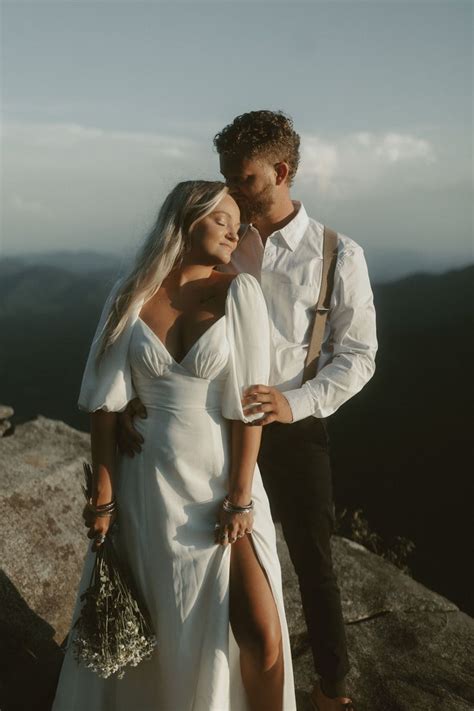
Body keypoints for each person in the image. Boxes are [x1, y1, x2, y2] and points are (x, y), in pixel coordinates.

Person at [118, 111, 378, 711]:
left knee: (313, 558)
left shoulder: (338, 254)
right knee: (207, 562)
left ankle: (331, 691)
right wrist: (144, 398)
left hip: (293, 427)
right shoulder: (225, 237)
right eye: (227, 182)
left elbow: (359, 357)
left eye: (245, 181)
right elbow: (171, 313)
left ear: (281, 171)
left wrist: (295, 402)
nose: (232, 195)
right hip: (208, 430)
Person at [51, 180, 297, 711]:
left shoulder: (239, 292)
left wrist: (239, 497)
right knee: (163, 626)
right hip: (147, 484)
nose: (235, 232)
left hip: (221, 480)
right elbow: (105, 404)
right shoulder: (132, 294)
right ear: (186, 222)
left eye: (238, 222)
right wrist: (103, 500)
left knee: (260, 632)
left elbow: (249, 406)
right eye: (221, 220)